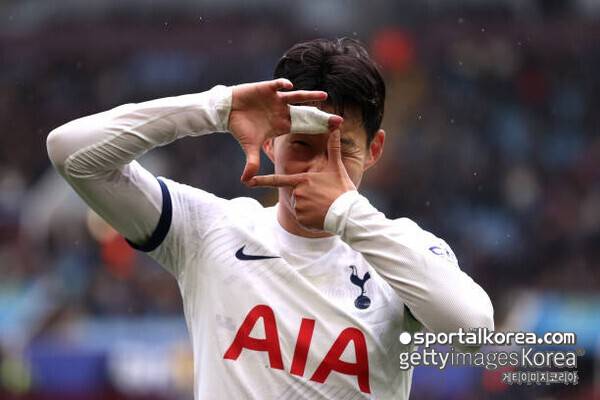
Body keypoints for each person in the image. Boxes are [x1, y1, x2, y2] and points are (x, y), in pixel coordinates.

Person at [47, 38, 494, 399]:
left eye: (342, 150)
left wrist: (346, 213)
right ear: (268, 141)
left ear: (374, 150)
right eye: (302, 145)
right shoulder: (208, 230)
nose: (320, 169)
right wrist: (217, 109)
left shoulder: (401, 252)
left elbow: (475, 333)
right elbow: (70, 152)